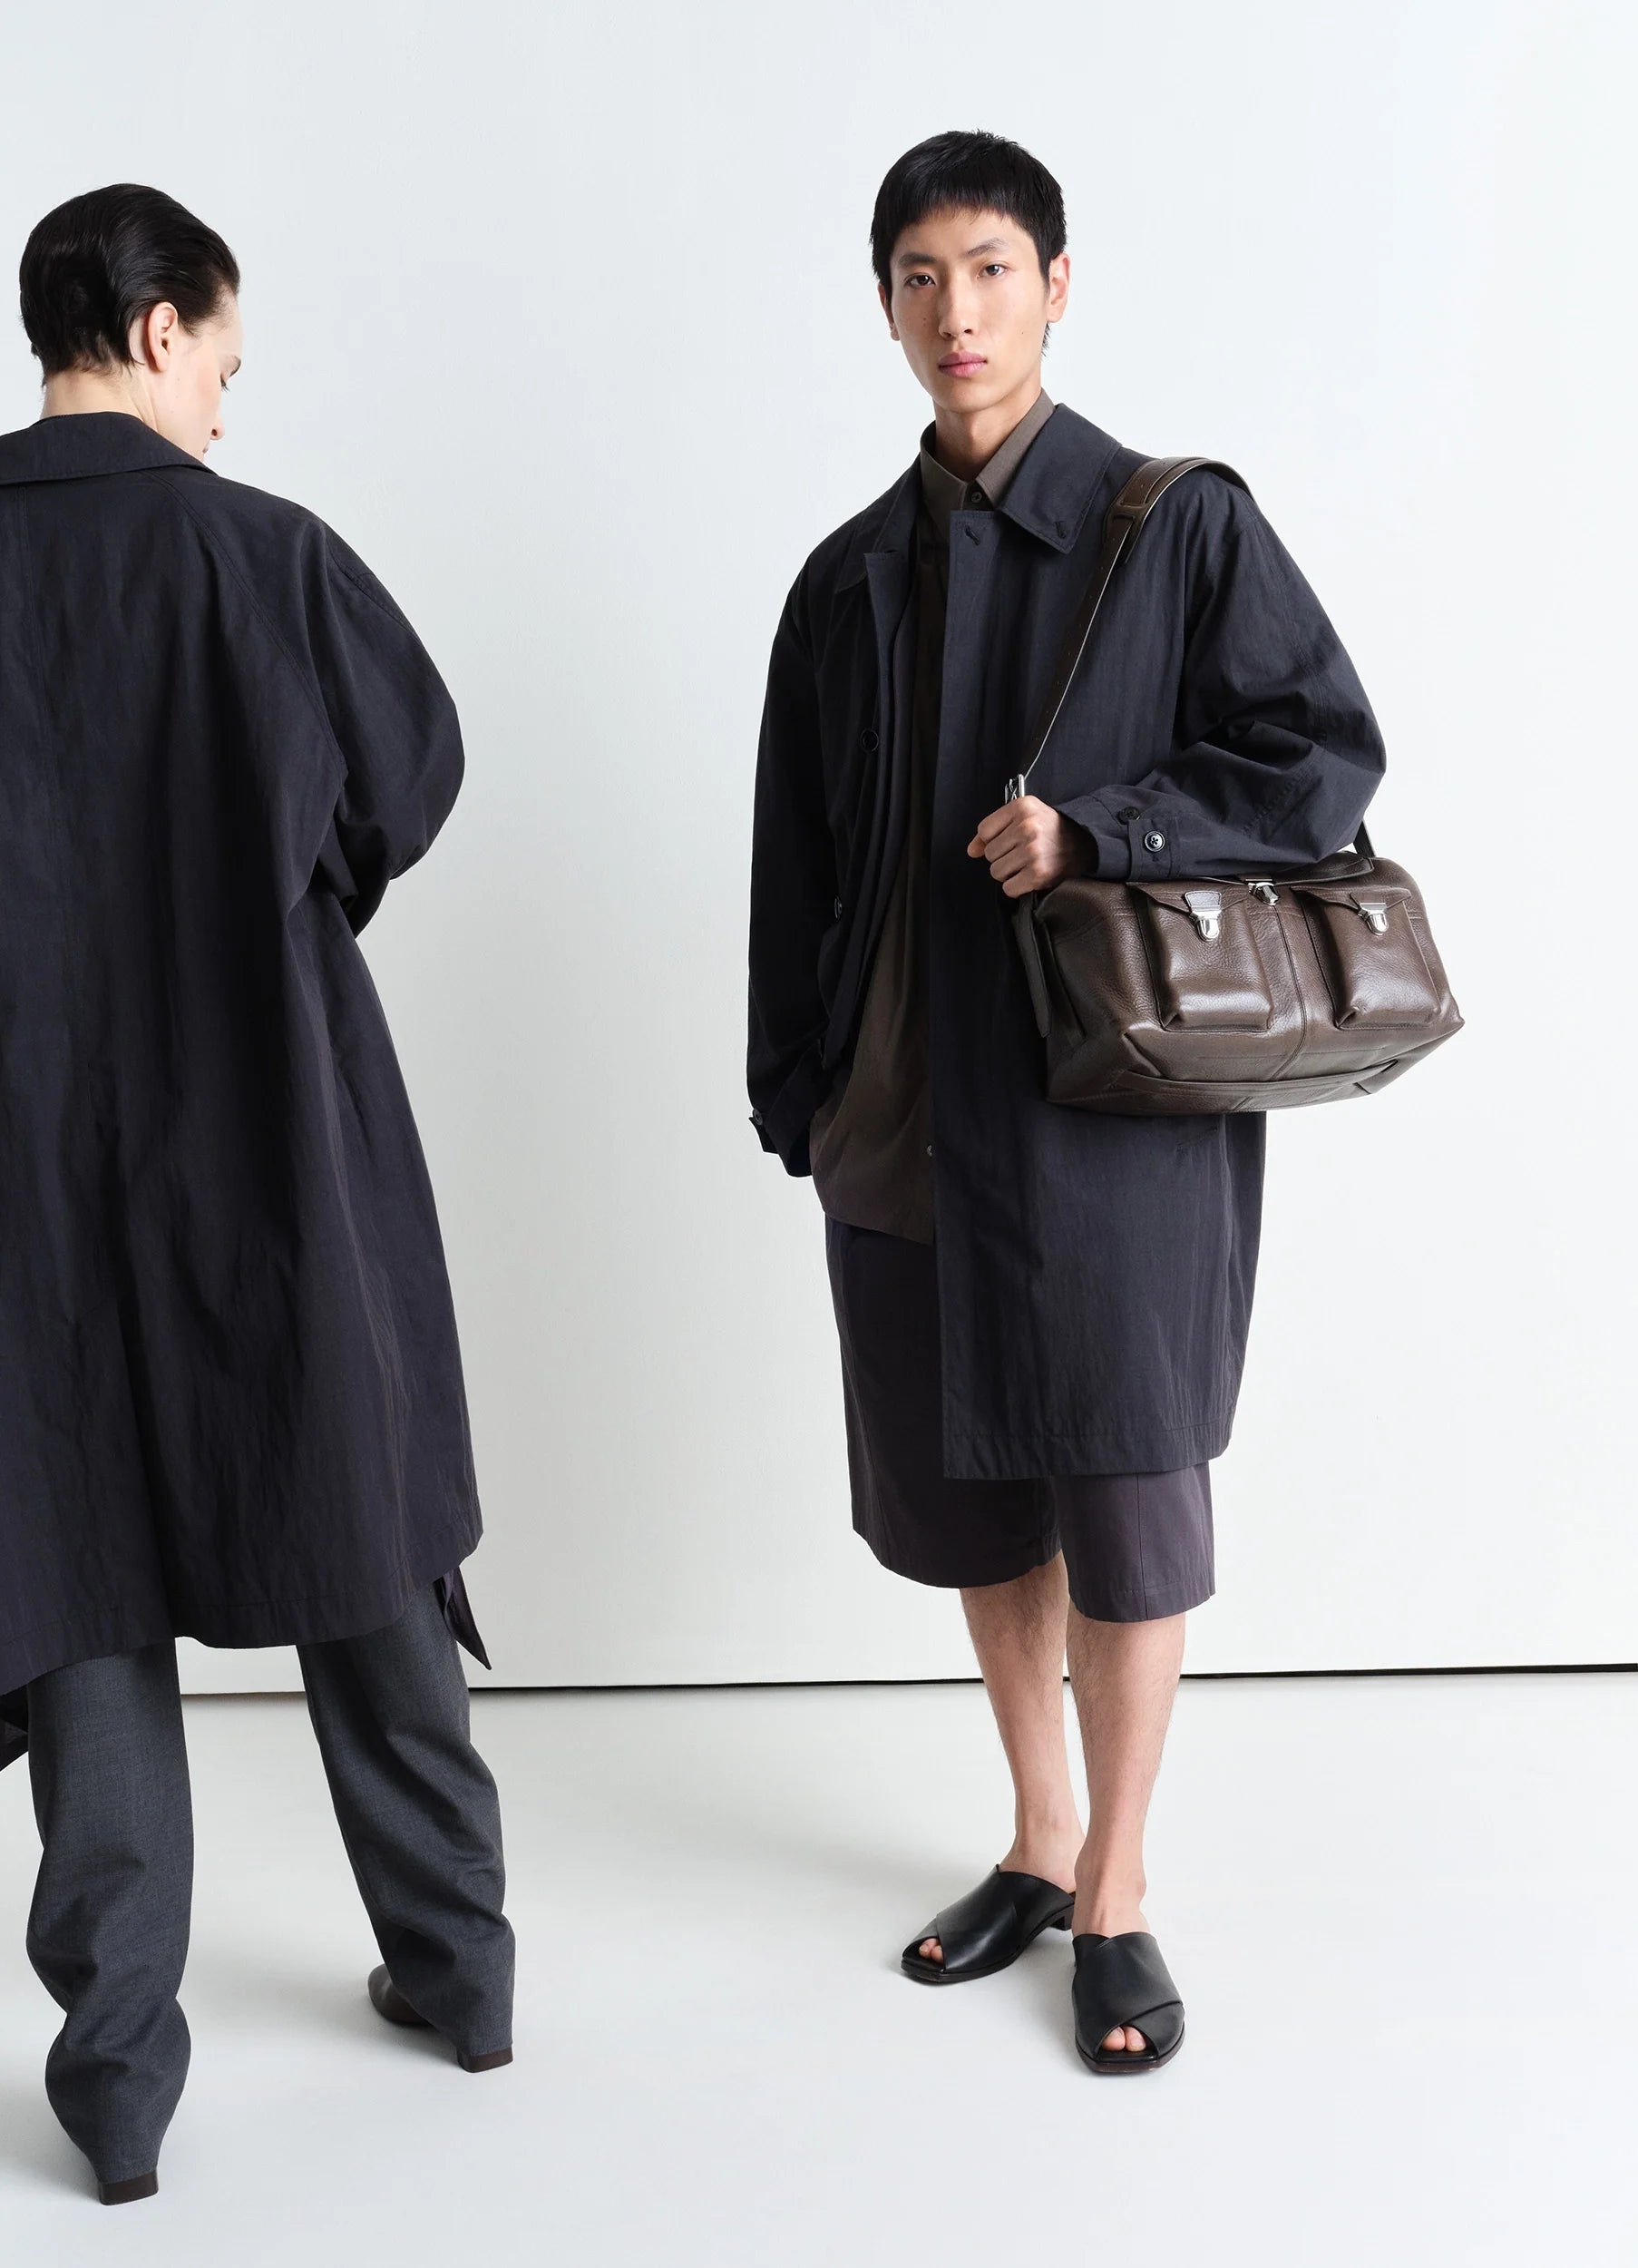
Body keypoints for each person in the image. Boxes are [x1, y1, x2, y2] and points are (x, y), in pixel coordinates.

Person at [746, 130, 1384, 2072]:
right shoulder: (847, 577)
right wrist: (795, 1086)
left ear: (1058, 285)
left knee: (1123, 1487)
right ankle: (1037, 1833)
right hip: (900, 1119)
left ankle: (1116, 1882)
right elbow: (793, 856)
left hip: (1107, 1118)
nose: (957, 311)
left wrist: (1106, 827)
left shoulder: (1172, 525)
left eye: (992, 269)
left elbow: (1320, 755)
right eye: (919, 276)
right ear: (883, 304)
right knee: (972, 1498)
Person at [0, 184, 514, 2203]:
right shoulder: (266, 555)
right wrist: (266, 896)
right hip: (270, 1120)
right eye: (222, 356)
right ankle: (459, 1975)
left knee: (76, 1570)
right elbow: (405, 781)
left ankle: (119, 2090)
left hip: (23, 1158)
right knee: (350, 1511)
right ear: (155, 328)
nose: (225, 398)